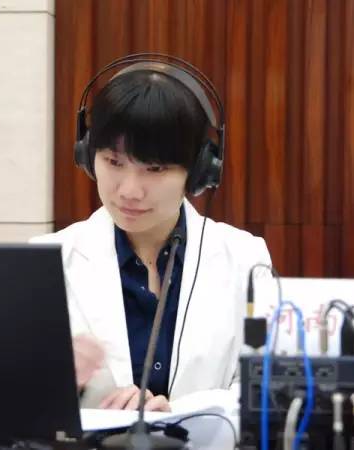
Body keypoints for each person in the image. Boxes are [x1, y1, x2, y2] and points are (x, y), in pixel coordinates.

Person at [31, 55, 271, 414]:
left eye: (155, 169)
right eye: (114, 162)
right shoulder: (47, 261)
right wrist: (60, 384)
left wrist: (178, 411)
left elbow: (262, 389)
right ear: (87, 154)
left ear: (199, 171)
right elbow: (12, 402)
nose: (129, 190)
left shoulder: (245, 258)